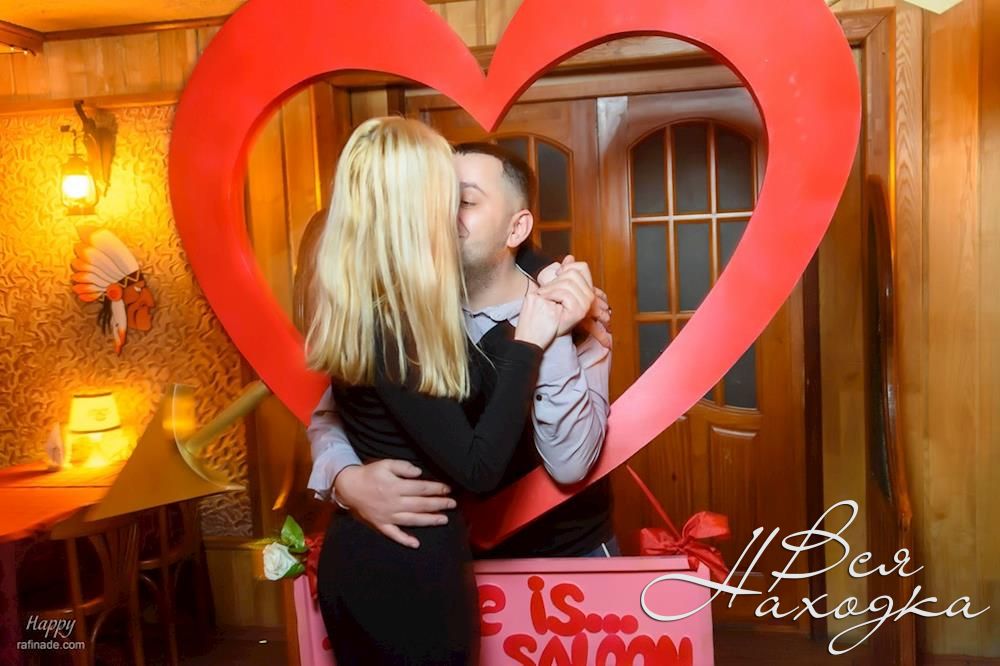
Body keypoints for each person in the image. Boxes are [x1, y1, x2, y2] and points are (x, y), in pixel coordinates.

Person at [306, 118, 585, 665]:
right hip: (400, 578)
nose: (454, 215)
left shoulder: (387, 302)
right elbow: (477, 468)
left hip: (394, 564)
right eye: (445, 196)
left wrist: (546, 275)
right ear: (416, 209)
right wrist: (529, 343)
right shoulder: (395, 325)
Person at [308, 141, 618, 559]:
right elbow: (335, 415)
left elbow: (571, 465)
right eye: (437, 198)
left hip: (571, 557)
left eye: (466, 201)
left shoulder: (580, 317)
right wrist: (346, 480)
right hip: (452, 559)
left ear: (516, 229)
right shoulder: (408, 315)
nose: (443, 214)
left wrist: (554, 329)